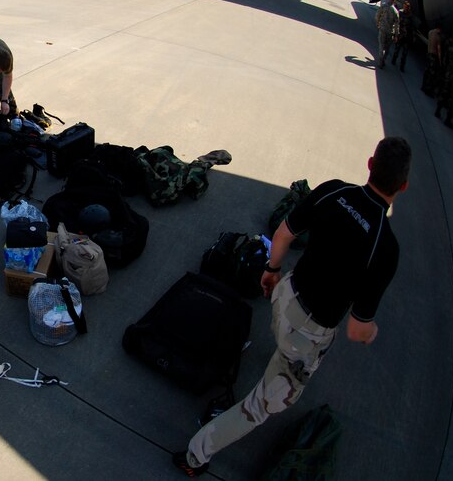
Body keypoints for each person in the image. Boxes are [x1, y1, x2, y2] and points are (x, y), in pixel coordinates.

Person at [174, 137, 412, 478]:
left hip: (284, 294)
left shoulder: (334, 191)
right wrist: (371, 330)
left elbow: (284, 234)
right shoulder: (386, 248)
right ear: (403, 186)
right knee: (258, 407)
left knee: (278, 337)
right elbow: (358, 328)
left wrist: (271, 270)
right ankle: (195, 455)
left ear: (370, 164)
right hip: (307, 334)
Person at [374, 0, 399, 69]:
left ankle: (380, 61)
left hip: (382, 29)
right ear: (393, 1)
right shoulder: (395, 11)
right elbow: (397, 24)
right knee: (387, 48)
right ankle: (383, 60)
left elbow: (377, 15)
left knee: (381, 45)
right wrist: (396, 35)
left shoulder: (384, 6)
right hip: (390, 31)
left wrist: (377, 23)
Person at [390, 1, 415, 72]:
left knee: (405, 53)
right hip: (400, 35)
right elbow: (396, 22)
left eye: (406, 7)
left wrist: (412, 37)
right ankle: (394, 60)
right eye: (404, 7)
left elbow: (412, 28)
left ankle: (402, 66)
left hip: (406, 37)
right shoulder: (400, 13)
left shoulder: (410, 16)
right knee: (397, 49)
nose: (405, 8)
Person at [422, 26, 444, 96]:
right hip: (433, 56)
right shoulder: (438, 37)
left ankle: (423, 86)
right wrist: (440, 61)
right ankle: (428, 90)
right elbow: (439, 50)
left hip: (428, 53)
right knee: (432, 74)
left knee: (426, 71)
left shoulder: (430, 32)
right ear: (439, 29)